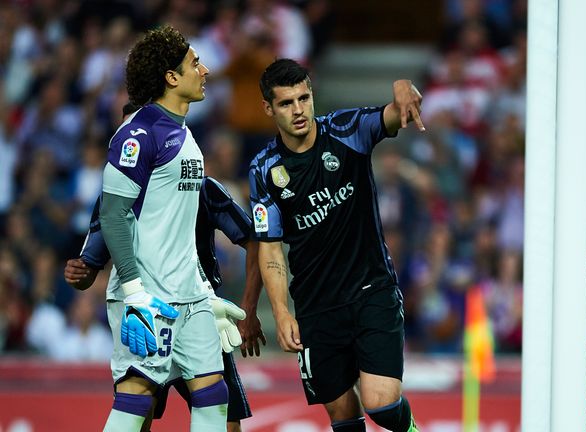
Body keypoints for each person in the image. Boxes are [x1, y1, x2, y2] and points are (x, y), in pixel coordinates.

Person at [247, 58, 425, 432]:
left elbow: (393, 115)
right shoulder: (264, 170)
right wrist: (280, 312)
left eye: (303, 98)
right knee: (342, 415)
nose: (298, 110)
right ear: (268, 108)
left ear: (312, 95)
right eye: (286, 103)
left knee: (381, 404)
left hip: (371, 289)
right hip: (315, 306)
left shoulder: (348, 130)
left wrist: (403, 85)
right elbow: (270, 247)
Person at [96, 25, 227, 431]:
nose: (204, 70)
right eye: (194, 63)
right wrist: (134, 292)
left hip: (188, 295)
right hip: (147, 295)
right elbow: (112, 214)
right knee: (137, 399)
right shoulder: (138, 133)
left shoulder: (184, 132)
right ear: (171, 77)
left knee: (213, 395)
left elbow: (175, 225)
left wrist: (202, 288)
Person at [65, 169, 266, 432]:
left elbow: (254, 240)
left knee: (222, 415)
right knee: (139, 411)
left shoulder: (202, 189)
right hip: (148, 317)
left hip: (198, 312)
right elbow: (88, 270)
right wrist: (79, 273)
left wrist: (249, 310)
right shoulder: (117, 196)